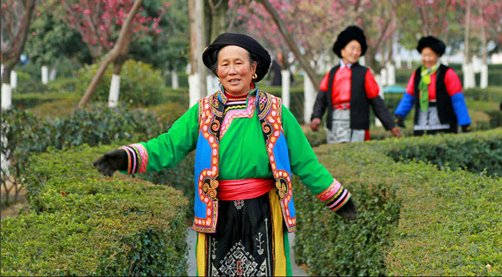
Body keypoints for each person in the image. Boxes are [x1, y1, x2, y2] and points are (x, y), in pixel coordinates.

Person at [93, 33, 357, 276]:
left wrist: (336, 198)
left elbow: (305, 161)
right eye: (225, 64)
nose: (232, 71)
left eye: (239, 63)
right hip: (216, 214)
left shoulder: (276, 111)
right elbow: (168, 146)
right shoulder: (202, 111)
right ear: (217, 72)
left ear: (253, 69)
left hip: (264, 211)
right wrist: (126, 157)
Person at [310, 25, 402, 143]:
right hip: (334, 123)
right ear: (342, 51)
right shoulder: (332, 73)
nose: (355, 52)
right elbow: (321, 99)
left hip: (357, 123)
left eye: (358, 49)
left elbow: (376, 101)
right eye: (352, 48)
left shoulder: (365, 73)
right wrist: (316, 117)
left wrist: (390, 125)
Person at [393, 35, 471, 135]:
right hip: (422, 119)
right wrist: (400, 114)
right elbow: (409, 96)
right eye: (424, 55)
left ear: (437, 55)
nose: (427, 59)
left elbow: (457, 100)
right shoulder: (417, 74)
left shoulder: (448, 73)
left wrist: (465, 123)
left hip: (444, 121)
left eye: (430, 55)